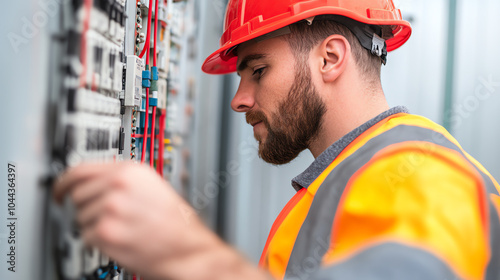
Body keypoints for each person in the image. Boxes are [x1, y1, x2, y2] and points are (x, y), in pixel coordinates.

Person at [54, 0, 500, 279]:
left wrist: (185, 253)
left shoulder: (418, 173)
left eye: (258, 70)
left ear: (330, 58)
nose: (239, 100)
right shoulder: (342, 177)